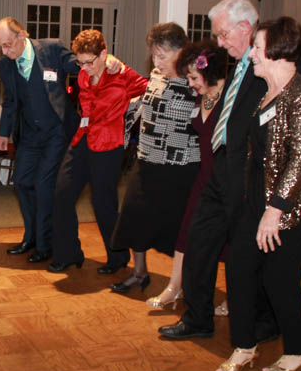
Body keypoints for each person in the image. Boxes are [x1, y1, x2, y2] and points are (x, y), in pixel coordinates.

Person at [158, 0, 301, 341]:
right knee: (199, 241)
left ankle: (269, 322)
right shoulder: (235, 61)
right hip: (220, 171)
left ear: (244, 28)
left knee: (255, 255)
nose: (219, 42)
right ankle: (198, 318)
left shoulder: (270, 61)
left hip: (249, 178)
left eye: (224, 34)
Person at [216, 16, 301, 371]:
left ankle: (299, 348)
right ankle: (245, 346)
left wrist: (274, 211)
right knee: (239, 270)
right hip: (258, 202)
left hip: (297, 209)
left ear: (280, 53)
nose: (252, 56)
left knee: (279, 281)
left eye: (259, 48)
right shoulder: (266, 92)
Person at [0, 18, 119, 263]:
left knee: (44, 186)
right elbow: (10, 101)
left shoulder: (50, 49)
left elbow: (79, 66)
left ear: (22, 36)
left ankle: (45, 245)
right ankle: (30, 237)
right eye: (0, 46)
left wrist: (107, 60)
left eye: (8, 45)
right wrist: (3, 132)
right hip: (29, 134)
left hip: (57, 133)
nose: (4, 51)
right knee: (21, 182)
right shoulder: (5, 66)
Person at [125, 38, 228, 310]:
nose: (190, 82)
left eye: (194, 77)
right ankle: (174, 287)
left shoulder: (230, 97)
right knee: (186, 235)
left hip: (226, 177)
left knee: (229, 242)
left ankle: (236, 296)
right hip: (202, 175)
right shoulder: (200, 94)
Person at [47, 30, 148, 274]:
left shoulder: (122, 75)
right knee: (62, 192)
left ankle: (117, 257)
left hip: (108, 145)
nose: (84, 67)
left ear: (104, 54)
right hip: (83, 138)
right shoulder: (83, 76)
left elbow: (149, 88)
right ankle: (68, 253)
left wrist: (133, 114)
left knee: (103, 203)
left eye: (89, 62)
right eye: (80, 62)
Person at [110, 23, 194, 295]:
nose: (157, 62)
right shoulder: (157, 75)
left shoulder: (196, 79)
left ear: (181, 51)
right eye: (154, 55)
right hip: (147, 158)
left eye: (163, 55)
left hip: (179, 165)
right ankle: (139, 273)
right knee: (134, 216)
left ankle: (179, 284)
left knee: (179, 228)